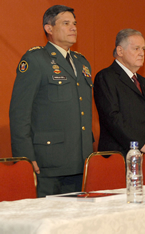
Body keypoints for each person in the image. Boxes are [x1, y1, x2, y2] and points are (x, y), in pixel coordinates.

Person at [9, 5, 93, 197]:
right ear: (49, 28)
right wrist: (25, 159)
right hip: (47, 164)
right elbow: (19, 114)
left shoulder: (82, 62)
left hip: (81, 161)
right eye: (66, 23)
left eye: (74, 23)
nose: (73, 28)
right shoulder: (36, 60)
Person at [94, 29, 145, 163]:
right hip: (119, 157)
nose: (141, 53)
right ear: (120, 51)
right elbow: (112, 118)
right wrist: (140, 144)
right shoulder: (106, 77)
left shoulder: (142, 81)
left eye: (143, 49)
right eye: (136, 48)